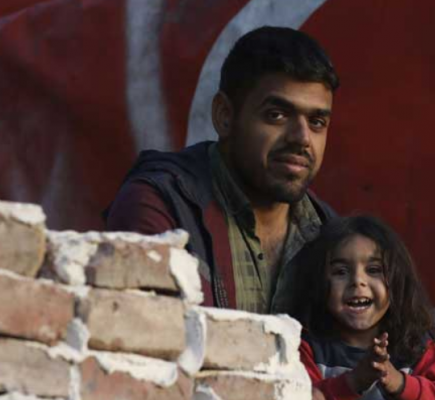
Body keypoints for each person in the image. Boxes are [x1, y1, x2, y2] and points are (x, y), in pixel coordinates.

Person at [105, 26, 339, 313]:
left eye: (317, 122)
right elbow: (147, 332)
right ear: (224, 115)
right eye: (276, 115)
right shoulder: (163, 205)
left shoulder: (331, 235)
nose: (302, 138)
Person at [296, 215, 435, 400]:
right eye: (341, 272)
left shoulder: (416, 348)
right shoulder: (305, 349)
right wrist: (353, 382)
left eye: (374, 270)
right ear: (319, 284)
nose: (357, 281)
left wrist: (399, 382)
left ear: (397, 282)